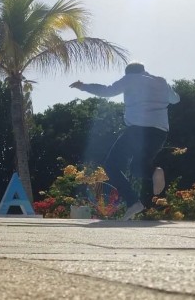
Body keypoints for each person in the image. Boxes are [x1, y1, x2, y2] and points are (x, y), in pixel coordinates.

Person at [70, 62, 180, 220]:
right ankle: (153, 173)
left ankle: (133, 201)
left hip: (138, 131)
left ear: (128, 73)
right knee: (137, 168)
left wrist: (83, 86)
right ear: (144, 70)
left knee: (111, 165)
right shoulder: (160, 81)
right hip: (160, 133)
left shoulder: (130, 79)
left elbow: (107, 91)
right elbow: (175, 99)